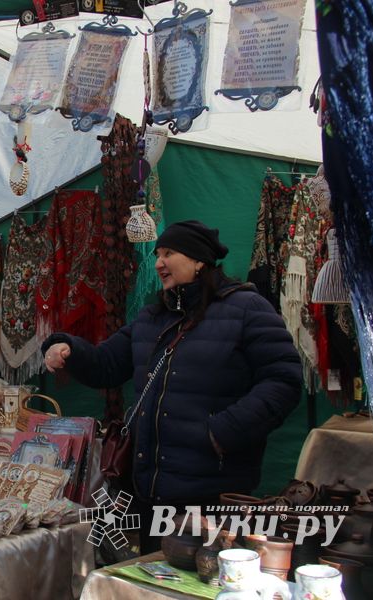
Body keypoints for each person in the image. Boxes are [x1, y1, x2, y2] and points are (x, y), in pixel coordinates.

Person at [42, 220, 301, 551]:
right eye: (157, 254)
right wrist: (69, 349)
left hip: (213, 490)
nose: (159, 263)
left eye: (169, 253)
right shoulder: (152, 319)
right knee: (157, 580)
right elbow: (105, 366)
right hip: (152, 491)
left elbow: (284, 379)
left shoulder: (247, 309)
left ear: (198, 260)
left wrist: (223, 431)